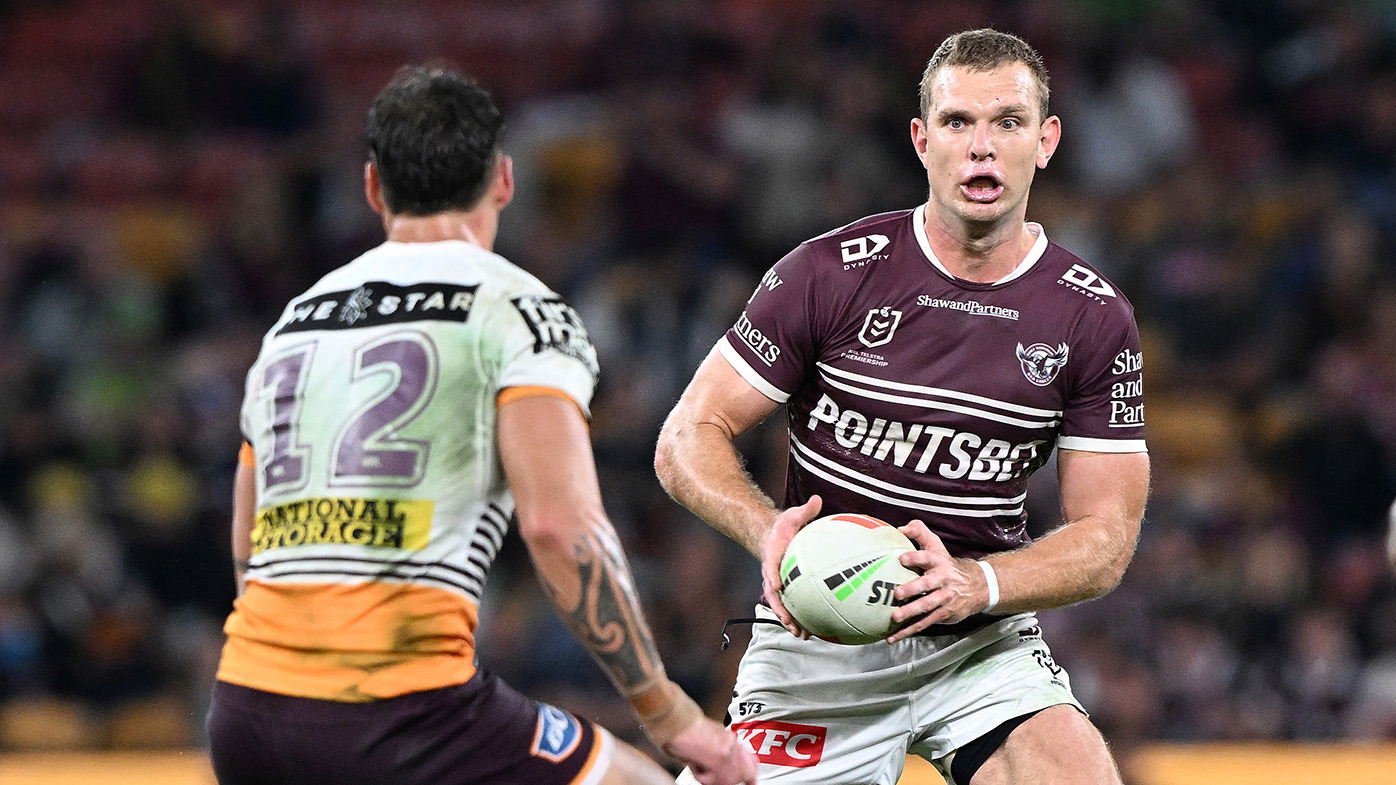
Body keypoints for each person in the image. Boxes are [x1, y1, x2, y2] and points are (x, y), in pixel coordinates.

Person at [206, 65, 757, 785]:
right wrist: (671, 716)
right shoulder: (519, 311)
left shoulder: (294, 322)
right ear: (503, 179)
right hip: (402, 708)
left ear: (374, 187)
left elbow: (250, 543)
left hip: (246, 712)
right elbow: (561, 527)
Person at [655, 29, 1150, 785]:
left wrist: (977, 585)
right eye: (957, 123)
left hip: (980, 642)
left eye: (1007, 122)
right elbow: (688, 434)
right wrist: (770, 533)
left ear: (1046, 141)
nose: (981, 148)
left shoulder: (1092, 316)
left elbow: (1106, 535)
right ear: (922, 140)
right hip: (821, 638)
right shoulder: (828, 273)